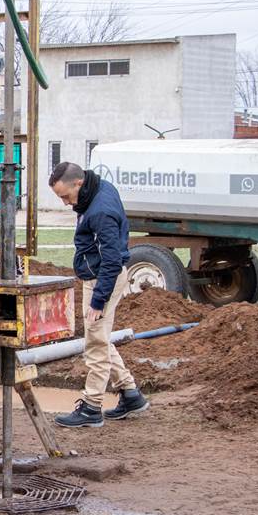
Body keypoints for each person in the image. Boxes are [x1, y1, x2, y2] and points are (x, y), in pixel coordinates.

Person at [48, 161, 149, 428]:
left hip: (103, 279)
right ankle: (131, 394)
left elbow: (112, 259)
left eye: (65, 196)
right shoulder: (98, 190)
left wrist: (98, 299)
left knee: (94, 344)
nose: (65, 203)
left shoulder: (100, 210)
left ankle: (91, 407)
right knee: (100, 337)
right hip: (98, 276)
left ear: (78, 184)